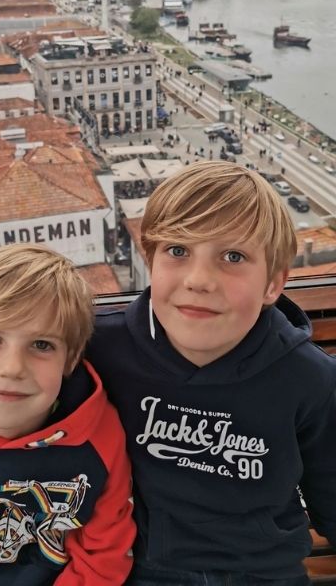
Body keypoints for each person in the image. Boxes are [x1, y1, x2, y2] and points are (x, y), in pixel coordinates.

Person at [88, 161, 336, 584]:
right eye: (178, 251)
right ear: (151, 260)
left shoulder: (309, 379)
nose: (199, 279)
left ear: (273, 285)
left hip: (264, 573)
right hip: (141, 572)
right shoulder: (100, 350)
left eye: (233, 256)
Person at [0, 244, 135, 585]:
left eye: (42, 345)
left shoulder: (100, 437)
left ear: (70, 361)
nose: (12, 368)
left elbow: (104, 556)